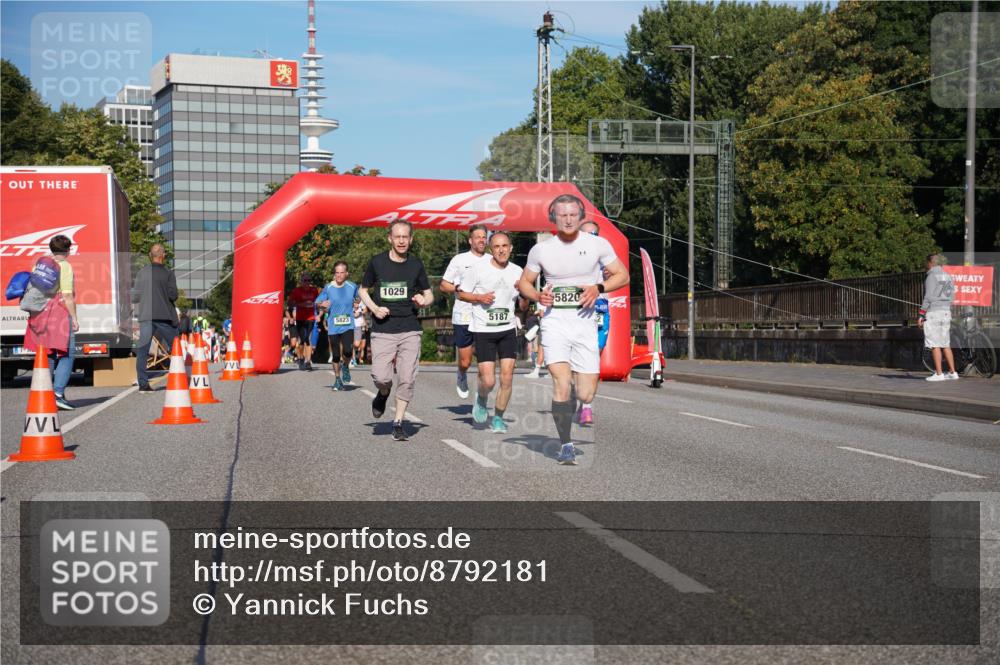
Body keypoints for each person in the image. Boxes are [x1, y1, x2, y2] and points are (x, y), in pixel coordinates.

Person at [517, 194, 629, 465]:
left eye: (572, 214)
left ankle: (580, 407)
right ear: (553, 217)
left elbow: (623, 275)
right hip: (555, 323)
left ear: (581, 217)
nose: (567, 219)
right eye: (562, 214)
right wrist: (537, 296)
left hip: (585, 325)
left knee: (586, 393)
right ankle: (565, 443)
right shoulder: (541, 250)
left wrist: (598, 288)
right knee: (561, 383)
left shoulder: (598, 245)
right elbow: (524, 283)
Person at [359, 220, 433, 442]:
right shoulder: (377, 262)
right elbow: (363, 290)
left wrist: (423, 300)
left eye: (405, 237)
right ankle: (383, 394)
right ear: (390, 238)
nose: (401, 241)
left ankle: (398, 422)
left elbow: (429, 294)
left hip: (410, 327)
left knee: (407, 378)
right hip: (383, 328)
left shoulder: (416, 265)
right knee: (381, 377)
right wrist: (374, 308)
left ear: (411, 239)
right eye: (397, 237)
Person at [457, 231, 524, 433]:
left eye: (505, 246)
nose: (501, 250)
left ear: (511, 248)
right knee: (488, 380)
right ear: (491, 249)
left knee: (507, 377)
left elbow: (523, 303)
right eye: (496, 247)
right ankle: (482, 397)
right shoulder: (477, 269)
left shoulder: (518, 271)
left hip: (507, 329)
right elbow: (461, 294)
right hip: (484, 329)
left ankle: (499, 418)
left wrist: (524, 295)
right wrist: (479, 298)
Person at [439, 225, 490, 399]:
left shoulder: (492, 260)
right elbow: (443, 285)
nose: (482, 240)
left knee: (485, 363)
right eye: (478, 237)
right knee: (465, 361)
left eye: (484, 237)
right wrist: (458, 288)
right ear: (470, 240)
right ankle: (461, 374)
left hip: (485, 315)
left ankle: (481, 396)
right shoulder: (459, 260)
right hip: (464, 315)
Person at [576, 221, 612, 426]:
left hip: (599, 307)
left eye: (595, 233)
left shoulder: (604, 251)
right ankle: (580, 395)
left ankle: (587, 405)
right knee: (577, 355)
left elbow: (619, 273)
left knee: (595, 353)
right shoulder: (571, 253)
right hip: (579, 306)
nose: (592, 237)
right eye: (588, 233)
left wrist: (608, 275)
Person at [133, 244, 179, 393]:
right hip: (164, 316)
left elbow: (135, 297)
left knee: (143, 350)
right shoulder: (168, 273)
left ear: (149, 255)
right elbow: (174, 295)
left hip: (146, 316)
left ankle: (143, 384)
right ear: (163, 255)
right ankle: (181, 379)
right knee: (176, 348)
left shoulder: (141, 273)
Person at [316, 261, 358, 391]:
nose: (339, 275)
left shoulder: (352, 286)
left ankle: (345, 366)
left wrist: (356, 303)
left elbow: (358, 298)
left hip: (348, 325)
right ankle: (337, 379)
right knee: (335, 355)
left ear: (346, 273)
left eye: (342, 273)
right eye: (337, 273)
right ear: (334, 274)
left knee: (347, 351)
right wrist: (322, 305)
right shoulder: (328, 287)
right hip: (333, 326)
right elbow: (317, 302)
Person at [918, 253, 958, 381]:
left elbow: (928, 296)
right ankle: (953, 372)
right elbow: (952, 296)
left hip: (934, 312)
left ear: (931, 263)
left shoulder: (931, 276)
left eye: (927, 263)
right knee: (945, 343)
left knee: (934, 343)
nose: (926, 265)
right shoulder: (947, 276)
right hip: (946, 312)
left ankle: (939, 374)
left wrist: (921, 313)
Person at [288, 272, 320, 371]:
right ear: (301, 281)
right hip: (300, 318)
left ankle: (308, 361)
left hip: (310, 318)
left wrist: (319, 312)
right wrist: (300, 304)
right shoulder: (297, 291)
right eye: (305, 281)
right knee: (301, 340)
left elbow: (318, 302)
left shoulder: (314, 290)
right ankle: (301, 359)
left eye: (308, 281)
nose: (307, 283)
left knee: (308, 339)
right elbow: (290, 302)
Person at [351, 299, 367, 366]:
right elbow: (354, 315)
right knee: (354, 343)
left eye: (357, 303)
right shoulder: (350, 309)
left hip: (358, 327)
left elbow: (365, 310)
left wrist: (360, 313)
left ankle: (353, 350)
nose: (356, 305)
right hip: (351, 327)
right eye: (355, 303)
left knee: (357, 345)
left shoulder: (361, 309)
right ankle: (353, 359)